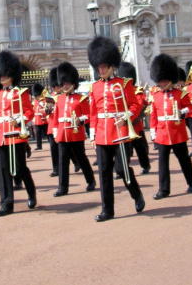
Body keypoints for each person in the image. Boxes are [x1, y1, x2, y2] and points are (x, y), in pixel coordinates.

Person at [87, 36, 145, 222]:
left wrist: (125, 117)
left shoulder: (124, 84)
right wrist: (93, 132)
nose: (101, 69)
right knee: (104, 173)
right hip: (103, 134)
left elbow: (135, 107)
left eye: (104, 66)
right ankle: (107, 210)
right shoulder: (95, 87)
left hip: (120, 132)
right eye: (99, 67)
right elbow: (94, 112)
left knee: (121, 169)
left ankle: (136, 194)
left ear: (112, 66)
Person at [0, 50, 36, 217]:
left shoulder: (21, 93)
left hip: (17, 134)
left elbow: (30, 113)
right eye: (0, 75)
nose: (2, 78)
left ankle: (31, 193)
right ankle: (6, 203)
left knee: (20, 168)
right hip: (2, 136)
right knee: (3, 170)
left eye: (4, 75)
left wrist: (18, 121)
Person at [148, 54, 192, 199]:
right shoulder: (155, 95)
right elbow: (153, 116)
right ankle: (164, 189)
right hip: (162, 133)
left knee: (184, 160)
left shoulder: (180, 94)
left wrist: (182, 112)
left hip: (177, 132)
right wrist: (153, 133)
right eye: (160, 81)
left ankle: (191, 182)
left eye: (164, 81)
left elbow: (191, 108)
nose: (162, 84)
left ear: (170, 79)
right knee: (163, 163)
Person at [52, 61, 96, 197]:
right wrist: (55, 131)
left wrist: (80, 120)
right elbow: (56, 117)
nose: (64, 86)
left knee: (81, 158)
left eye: (67, 83)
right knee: (63, 161)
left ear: (73, 83)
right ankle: (62, 187)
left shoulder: (81, 99)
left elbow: (88, 115)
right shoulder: (59, 99)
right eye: (63, 83)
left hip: (76, 133)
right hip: (63, 133)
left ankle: (91, 180)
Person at [116, 61, 150, 174]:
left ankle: (145, 165)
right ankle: (123, 169)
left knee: (140, 148)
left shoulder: (137, 91)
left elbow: (139, 105)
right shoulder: (118, 90)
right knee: (124, 150)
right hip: (122, 124)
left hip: (134, 125)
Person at [31, 84, 49, 151]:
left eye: (38, 95)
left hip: (44, 120)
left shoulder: (44, 101)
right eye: (37, 96)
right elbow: (33, 110)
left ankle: (51, 142)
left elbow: (47, 109)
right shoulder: (34, 102)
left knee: (47, 133)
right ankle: (39, 145)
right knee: (37, 134)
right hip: (37, 120)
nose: (37, 97)